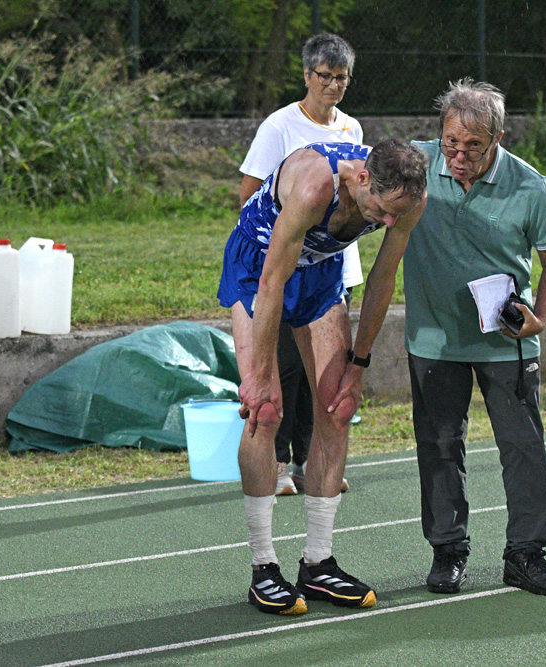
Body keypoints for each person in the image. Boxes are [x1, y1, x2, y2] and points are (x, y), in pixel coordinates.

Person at [218, 139, 428, 615]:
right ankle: (263, 567)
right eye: (382, 210)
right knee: (266, 411)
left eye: (398, 214)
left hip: (319, 273)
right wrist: (261, 374)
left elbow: (382, 279)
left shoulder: (408, 198)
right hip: (260, 267)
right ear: (362, 180)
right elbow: (273, 281)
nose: (388, 222)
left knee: (338, 405)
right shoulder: (315, 185)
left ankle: (318, 562)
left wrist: (358, 367)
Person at [405, 78, 546, 597]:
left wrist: (539, 318)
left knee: (523, 448)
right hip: (433, 339)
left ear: (497, 138)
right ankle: (448, 551)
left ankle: (525, 555)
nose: (458, 155)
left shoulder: (530, 185)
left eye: (472, 147)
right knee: (438, 446)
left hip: (506, 341)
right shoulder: (415, 164)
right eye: (450, 143)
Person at [238, 33, 361, 497]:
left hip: (333, 267)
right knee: (284, 363)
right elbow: (250, 192)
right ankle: (281, 459)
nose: (332, 85)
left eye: (341, 78)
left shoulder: (352, 129)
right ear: (307, 75)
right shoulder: (280, 127)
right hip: (287, 262)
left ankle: (313, 458)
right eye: (325, 77)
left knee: (324, 371)